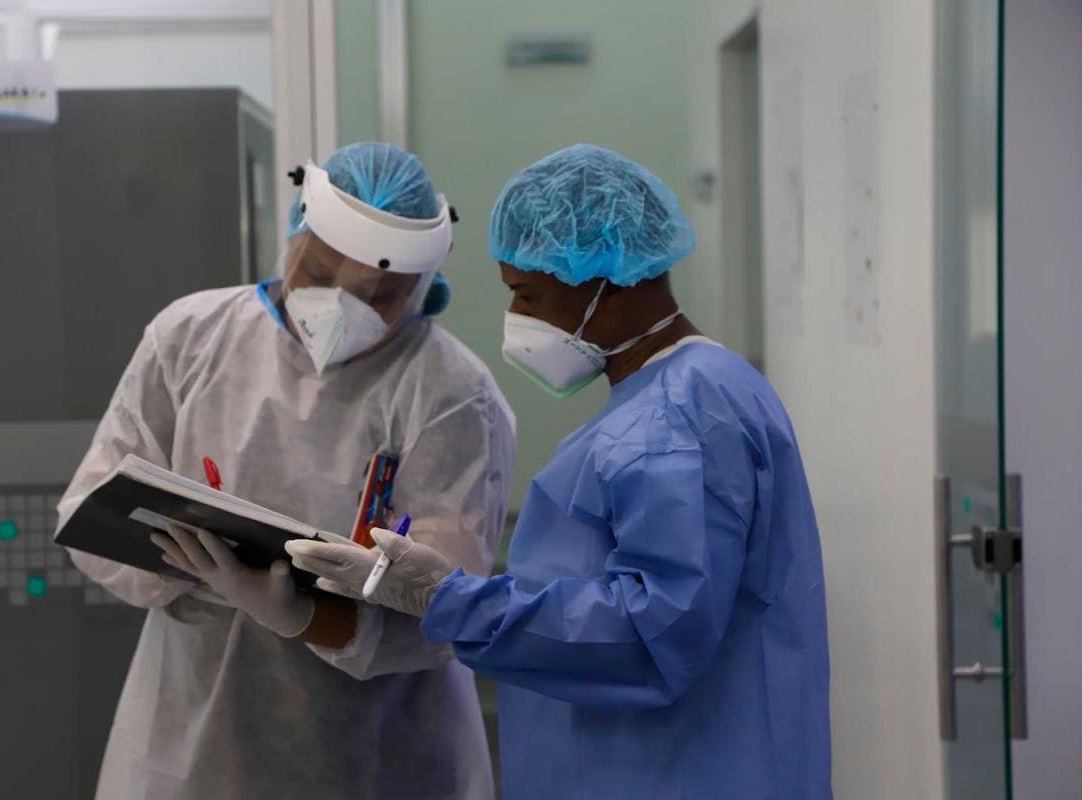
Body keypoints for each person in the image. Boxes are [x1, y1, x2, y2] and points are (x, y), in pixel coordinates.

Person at [287, 144, 832, 799]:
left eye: (529, 295)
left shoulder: (676, 419)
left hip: (669, 772)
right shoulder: (689, 394)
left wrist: (448, 601)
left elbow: (649, 634)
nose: (516, 322)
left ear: (612, 281)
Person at [58, 141, 515, 800]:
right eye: (323, 276)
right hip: (200, 731)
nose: (345, 308)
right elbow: (93, 506)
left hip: (379, 750)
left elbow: (443, 612)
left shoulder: (450, 392)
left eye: (382, 295)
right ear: (295, 232)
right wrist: (187, 564)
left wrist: (302, 616)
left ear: (422, 288)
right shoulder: (191, 338)